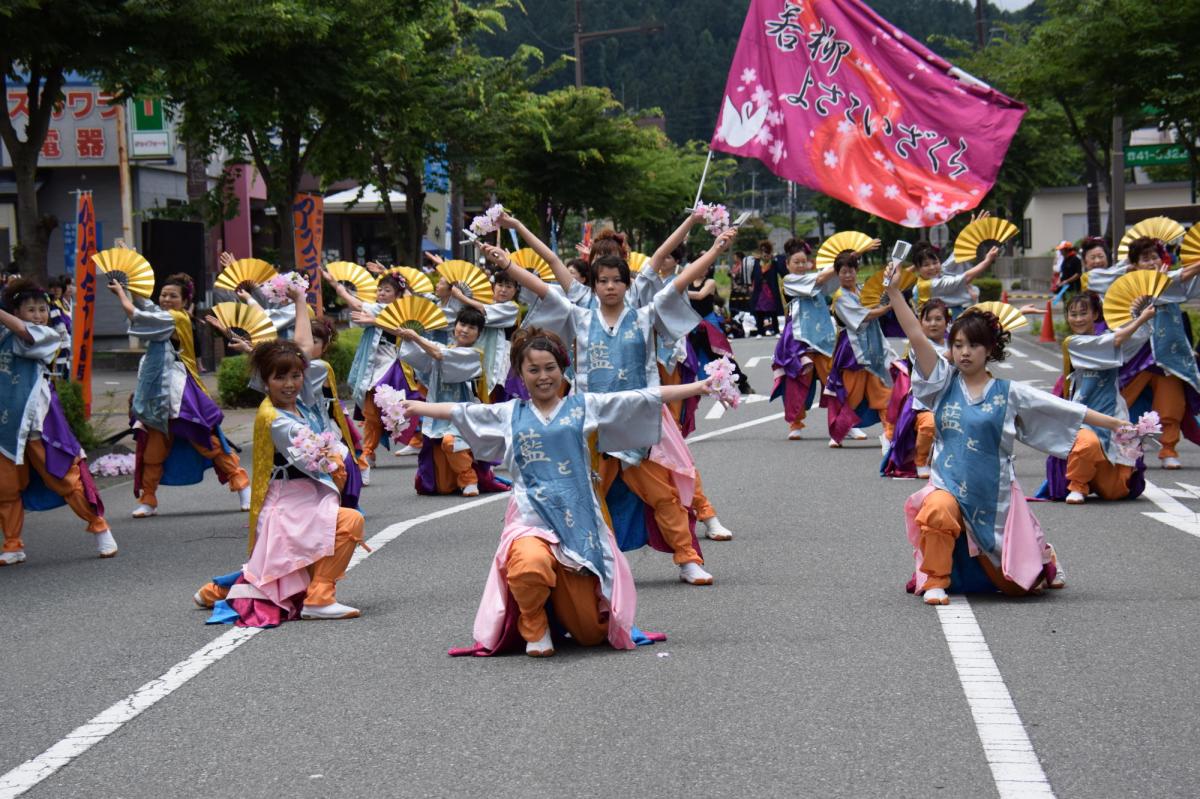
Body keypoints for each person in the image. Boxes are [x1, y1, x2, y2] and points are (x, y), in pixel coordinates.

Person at [414, 327, 715, 656]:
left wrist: (700, 386)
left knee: (589, 633)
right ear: (520, 373)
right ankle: (534, 626)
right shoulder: (508, 413)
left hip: (580, 526)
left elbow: (643, 397)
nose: (543, 377)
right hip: (531, 522)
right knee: (528, 565)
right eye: (533, 370)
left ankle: (576, 614)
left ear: (562, 369)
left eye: (550, 368)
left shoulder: (585, 406)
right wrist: (411, 408)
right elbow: (460, 412)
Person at [487, 215, 736, 583]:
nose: (610, 287)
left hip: (636, 420)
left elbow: (680, 278)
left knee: (663, 495)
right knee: (584, 497)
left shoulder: (645, 315)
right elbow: (542, 285)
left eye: (617, 280)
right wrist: (506, 261)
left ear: (627, 283)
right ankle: (588, 563)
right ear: (593, 282)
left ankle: (687, 559)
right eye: (602, 280)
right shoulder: (580, 316)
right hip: (591, 423)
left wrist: (714, 249)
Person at [882, 261, 1129, 605]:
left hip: (994, 494)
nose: (964, 352)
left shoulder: (1010, 392)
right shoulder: (941, 382)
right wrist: (894, 291)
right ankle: (935, 579)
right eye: (958, 345)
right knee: (936, 510)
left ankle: (1045, 556)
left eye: (973, 345)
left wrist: (1117, 424)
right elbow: (915, 335)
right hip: (948, 484)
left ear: (989, 350)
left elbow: (1065, 410)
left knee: (1019, 588)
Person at [193, 285, 365, 624]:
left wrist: (301, 300)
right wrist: (339, 458)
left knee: (286, 569)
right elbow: (317, 458)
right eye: (280, 377)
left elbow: (303, 350)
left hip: (307, 494)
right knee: (347, 524)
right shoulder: (275, 418)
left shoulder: (299, 400)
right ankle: (320, 598)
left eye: (295, 375)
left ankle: (216, 589)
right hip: (289, 501)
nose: (290, 383)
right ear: (265, 380)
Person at [110, 272, 250, 518]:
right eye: (163, 294)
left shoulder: (176, 318)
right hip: (154, 393)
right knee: (153, 448)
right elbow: (146, 305)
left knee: (206, 442)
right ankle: (148, 499)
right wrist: (131, 283)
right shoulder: (164, 314)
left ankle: (241, 484)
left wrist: (121, 294)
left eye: (173, 296)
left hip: (179, 391)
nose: (166, 299)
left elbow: (138, 315)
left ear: (185, 301)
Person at [0, 279, 114, 565]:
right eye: (31, 309)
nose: (38, 314)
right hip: (5, 427)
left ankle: (99, 527)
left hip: (38, 423)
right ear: (16, 310)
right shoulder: (5, 333)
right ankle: (12, 543)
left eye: (42, 309)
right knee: (6, 487)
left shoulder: (46, 334)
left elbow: (27, 335)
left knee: (63, 477)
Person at [1040, 291, 1155, 503]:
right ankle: (1078, 485)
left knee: (1115, 491)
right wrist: (1140, 319)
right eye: (1072, 314)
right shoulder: (1073, 342)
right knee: (1087, 444)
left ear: (1095, 315)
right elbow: (1119, 338)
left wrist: (1140, 310)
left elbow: (1138, 337)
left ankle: (1095, 479)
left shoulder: (1107, 338)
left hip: (1114, 412)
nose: (1077, 318)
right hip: (1082, 414)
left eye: (1083, 313)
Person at [388, 306, 508, 497]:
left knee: (450, 442)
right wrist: (405, 335)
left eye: (472, 327)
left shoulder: (474, 355)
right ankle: (457, 480)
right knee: (442, 485)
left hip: (464, 414)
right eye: (462, 324)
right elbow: (423, 356)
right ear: (455, 326)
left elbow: (438, 355)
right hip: (437, 413)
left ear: (479, 334)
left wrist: (417, 338)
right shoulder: (443, 348)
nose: (465, 330)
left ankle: (469, 478)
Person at [1118, 236, 1200, 470]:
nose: (1152, 262)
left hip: (1168, 356)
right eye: (1145, 259)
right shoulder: (1129, 285)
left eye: (1154, 256)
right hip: (1135, 356)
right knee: (1122, 402)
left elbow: (1185, 281)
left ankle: (1168, 449)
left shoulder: (1168, 283)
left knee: (1171, 406)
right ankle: (1123, 446)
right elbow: (1180, 276)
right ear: (1133, 265)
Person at [333, 271, 421, 483]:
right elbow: (362, 310)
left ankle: (372, 451)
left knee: (392, 409)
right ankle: (368, 452)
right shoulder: (381, 309)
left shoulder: (399, 311)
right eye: (380, 289)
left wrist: (340, 290)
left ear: (398, 294)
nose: (381, 293)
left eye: (387, 290)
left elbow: (360, 307)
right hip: (373, 364)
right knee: (374, 410)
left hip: (390, 365)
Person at [826, 248, 897, 449]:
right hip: (852, 351)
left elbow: (878, 298)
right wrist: (884, 309)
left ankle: (890, 432)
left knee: (882, 389)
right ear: (837, 274)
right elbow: (863, 316)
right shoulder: (840, 296)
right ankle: (838, 432)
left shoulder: (861, 289)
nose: (848, 275)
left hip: (873, 346)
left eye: (851, 270)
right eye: (843, 271)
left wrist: (891, 277)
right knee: (852, 394)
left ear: (856, 271)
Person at [771, 238, 839, 440]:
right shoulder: (790, 281)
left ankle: (844, 421)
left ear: (809, 262)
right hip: (800, 340)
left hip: (824, 338)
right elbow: (819, 281)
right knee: (797, 383)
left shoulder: (815, 276)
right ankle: (795, 422)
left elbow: (830, 285)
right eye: (796, 262)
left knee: (834, 381)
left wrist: (845, 263)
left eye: (804, 262)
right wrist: (839, 262)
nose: (801, 265)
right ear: (787, 265)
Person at [881, 298, 951, 478]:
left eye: (938, 319)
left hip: (952, 401)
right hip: (923, 404)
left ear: (947, 322)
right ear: (920, 323)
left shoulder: (954, 344)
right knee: (930, 423)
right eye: (928, 319)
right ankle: (920, 461)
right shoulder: (919, 346)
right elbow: (940, 359)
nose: (933, 324)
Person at [748, 240, 783, 336]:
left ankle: (776, 331)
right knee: (759, 311)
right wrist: (751, 285)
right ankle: (760, 331)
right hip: (759, 290)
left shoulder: (774, 263)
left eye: (766, 251)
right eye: (762, 251)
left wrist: (775, 258)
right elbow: (752, 275)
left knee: (773, 310)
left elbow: (781, 271)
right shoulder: (756, 262)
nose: (764, 253)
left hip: (771, 290)